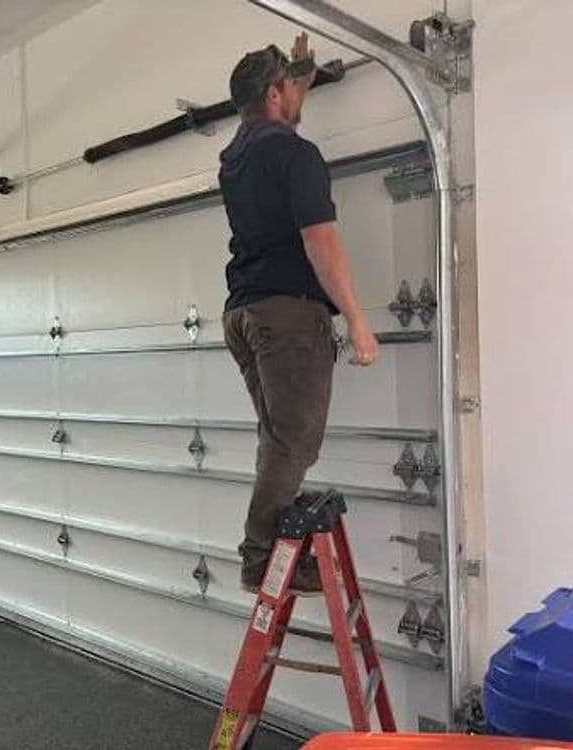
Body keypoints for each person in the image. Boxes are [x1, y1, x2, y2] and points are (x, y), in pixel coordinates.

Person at [219, 33, 379, 593]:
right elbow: (321, 243)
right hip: (287, 313)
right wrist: (356, 319)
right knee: (295, 442)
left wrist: (299, 75)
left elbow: (271, 129)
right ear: (273, 93)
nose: (297, 91)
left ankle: (269, 545)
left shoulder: (236, 157)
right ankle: (261, 558)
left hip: (243, 312)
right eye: (290, 85)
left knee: (279, 438)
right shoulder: (295, 154)